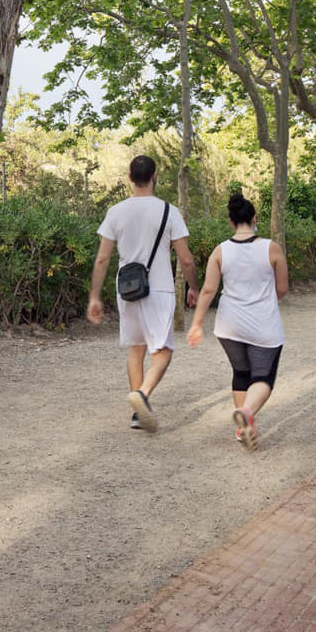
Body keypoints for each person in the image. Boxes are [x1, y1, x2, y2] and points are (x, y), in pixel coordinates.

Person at [87, 155, 199, 433]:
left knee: (136, 348)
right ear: (155, 176)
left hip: (127, 288)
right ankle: (143, 394)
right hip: (159, 287)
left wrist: (94, 296)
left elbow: (102, 259)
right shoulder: (168, 211)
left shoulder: (116, 212)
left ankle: (138, 415)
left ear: (129, 178)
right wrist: (194, 287)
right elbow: (185, 259)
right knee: (163, 350)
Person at [187, 190, 288, 451]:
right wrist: (265, 298)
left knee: (241, 373)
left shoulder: (220, 251)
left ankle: (244, 429)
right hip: (264, 325)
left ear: (231, 221)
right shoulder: (272, 248)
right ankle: (247, 413)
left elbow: (208, 290)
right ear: (255, 219)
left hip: (228, 325)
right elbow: (283, 289)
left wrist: (197, 323)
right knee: (263, 378)